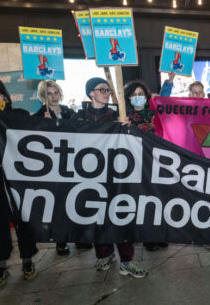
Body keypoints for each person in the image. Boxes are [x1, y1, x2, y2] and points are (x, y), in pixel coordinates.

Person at [73, 77, 147, 278]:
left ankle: (127, 260)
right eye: (101, 89)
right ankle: (104, 254)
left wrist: (127, 127)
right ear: (91, 93)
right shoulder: (78, 117)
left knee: (122, 214)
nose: (106, 92)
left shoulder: (119, 115)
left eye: (108, 89)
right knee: (98, 215)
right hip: (91, 176)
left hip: (119, 175)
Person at [0, 78, 38, 287]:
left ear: (5, 98)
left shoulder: (18, 116)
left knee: (24, 222)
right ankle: (1, 265)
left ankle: (28, 262)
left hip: (17, 182)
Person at [124, 80, 169, 252]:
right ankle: (147, 237)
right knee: (142, 199)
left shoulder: (154, 112)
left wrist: (169, 82)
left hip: (156, 160)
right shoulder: (125, 115)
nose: (138, 97)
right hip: (135, 162)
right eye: (134, 95)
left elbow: (166, 100)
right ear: (129, 97)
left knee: (158, 197)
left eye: (141, 94)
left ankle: (159, 234)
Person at [34, 80, 75, 256]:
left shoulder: (69, 112)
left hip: (73, 162)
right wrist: (46, 125)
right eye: (49, 94)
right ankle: (61, 241)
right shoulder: (39, 115)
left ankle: (80, 237)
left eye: (56, 93)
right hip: (53, 167)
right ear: (43, 96)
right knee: (59, 204)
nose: (53, 97)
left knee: (75, 200)